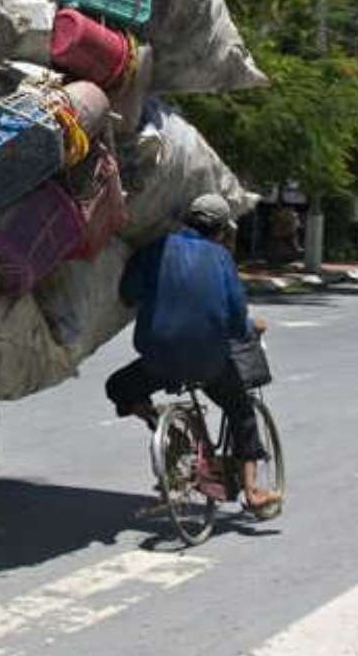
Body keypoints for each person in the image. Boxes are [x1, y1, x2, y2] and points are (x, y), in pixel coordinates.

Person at [106, 193, 282, 517]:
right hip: (209, 362)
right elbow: (233, 320)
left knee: (117, 386)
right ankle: (253, 491)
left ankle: (160, 424)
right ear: (220, 230)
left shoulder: (155, 248)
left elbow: (128, 293)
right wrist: (249, 327)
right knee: (241, 409)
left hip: (158, 359)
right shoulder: (221, 259)